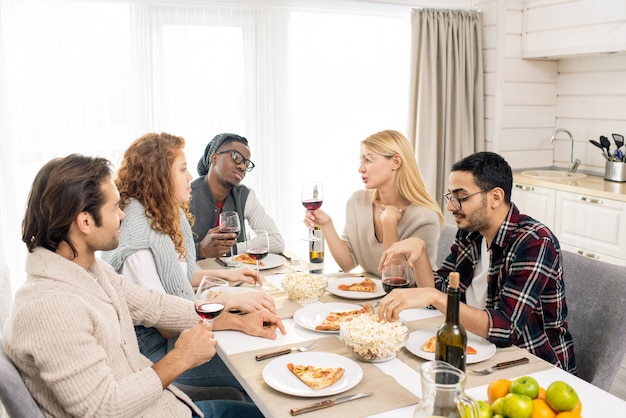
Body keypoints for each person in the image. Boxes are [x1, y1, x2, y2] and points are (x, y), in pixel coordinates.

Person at [3, 154, 282, 417]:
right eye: (114, 208)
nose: (122, 216)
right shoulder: (49, 308)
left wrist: (228, 308)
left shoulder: (88, 270)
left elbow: (152, 305)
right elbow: (104, 408)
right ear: (85, 221)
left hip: (166, 407)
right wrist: (181, 358)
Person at [101, 132, 283, 394]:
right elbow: (166, 324)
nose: (190, 177)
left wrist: (231, 281)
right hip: (153, 353)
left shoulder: (159, 213)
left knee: (256, 365)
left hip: (176, 335)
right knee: (255, 373)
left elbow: (176, 276)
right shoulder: (138, 238)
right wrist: (236, 317)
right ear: (159, 175)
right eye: (183, 169)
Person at [377, 151, 577, 373]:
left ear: (495, 197)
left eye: (461, 197)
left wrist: (436, 296)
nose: (451, 207)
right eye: (450, 196)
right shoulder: (472, 234)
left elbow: (506, 328)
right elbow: (440, 291)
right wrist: (421, 251)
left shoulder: (534, 242)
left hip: (530, 364)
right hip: (477, 349)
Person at [303, 129, 444, 276]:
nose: (360, 169)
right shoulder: (357, 202)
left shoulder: (424, 217)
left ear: (395, 162)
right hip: (368, 292)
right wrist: (327, 225)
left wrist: (389, 223)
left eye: (368, 160)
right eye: (361, 160)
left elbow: (397, 279)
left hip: (407, 296)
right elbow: (347, 264)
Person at [190, 133, 285, 260]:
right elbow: (168, 255)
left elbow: (277, 241)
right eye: (236, 157)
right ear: (214, 158)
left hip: (237, 277)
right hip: (197, 278)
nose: (242, 167)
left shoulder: (244, 196)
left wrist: (230, 250)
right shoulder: (186, 195)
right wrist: (199, 250)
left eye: (246, 164)